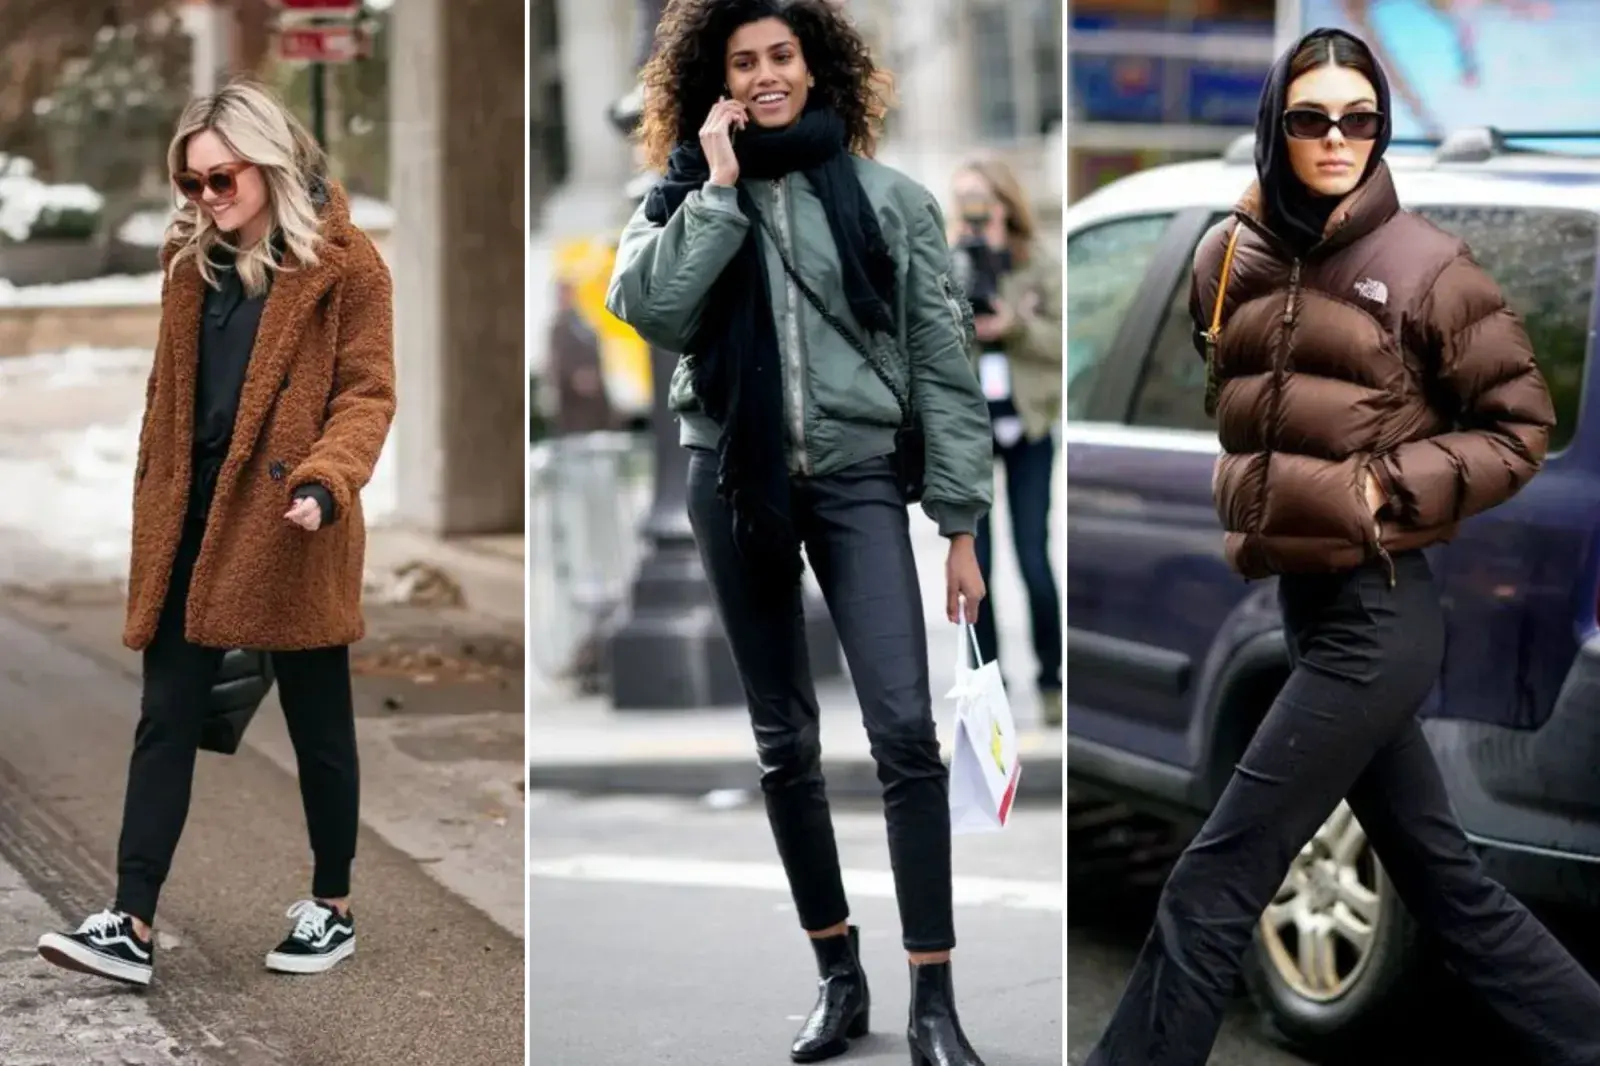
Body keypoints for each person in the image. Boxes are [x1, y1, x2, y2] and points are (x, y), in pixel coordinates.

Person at [1088, 27, 1600, 1066]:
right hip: (1301, 602)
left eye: (1360, 119)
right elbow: (1235, 389)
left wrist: (1379, 484)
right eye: (1311, 118)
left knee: (1215, 873)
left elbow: (1519, 426)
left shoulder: (1424, 266)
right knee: (1447, 885)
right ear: (1274, 125)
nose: (1337, 139)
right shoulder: (1227, 258)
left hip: (1379, 610)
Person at [606, 2, 993, 1063]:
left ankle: (932, 997)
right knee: (785, 745)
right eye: (743, 62)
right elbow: (649, 309)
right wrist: (719, 194)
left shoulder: (891, 201)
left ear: (816, 69)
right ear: (713, 82)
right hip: (733, 480)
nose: (767, 75)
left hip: (858, 481)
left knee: (905, 735)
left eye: (782, 55)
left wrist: (960, 525)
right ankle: (837, 972)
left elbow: (944, 370)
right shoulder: (683, 194)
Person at [35, 78, 396, 987]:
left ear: (268, 164)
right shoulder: (187, 263)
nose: (205, 199)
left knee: (319, 720)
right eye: (190, 184)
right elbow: (173, 390)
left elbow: (366, 393)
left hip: (291, 513)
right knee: (165, 714)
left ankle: (333, 905)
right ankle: (131, 917)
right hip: (190, 513)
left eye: (221, 179)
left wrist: (327, 479)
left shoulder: (349, 266)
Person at [948, 158, 1062, 727]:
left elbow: (1065, 347)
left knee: (1034, 560)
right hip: (969, 430)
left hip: (1030, 423)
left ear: (1004, 203)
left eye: (983, 201)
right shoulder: (947, 265)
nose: (974, 213)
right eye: (963, 201)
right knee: (977, 566)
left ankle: (1051, 682)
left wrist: (1015, 324)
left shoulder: (1038, 263)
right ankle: (986, 688)